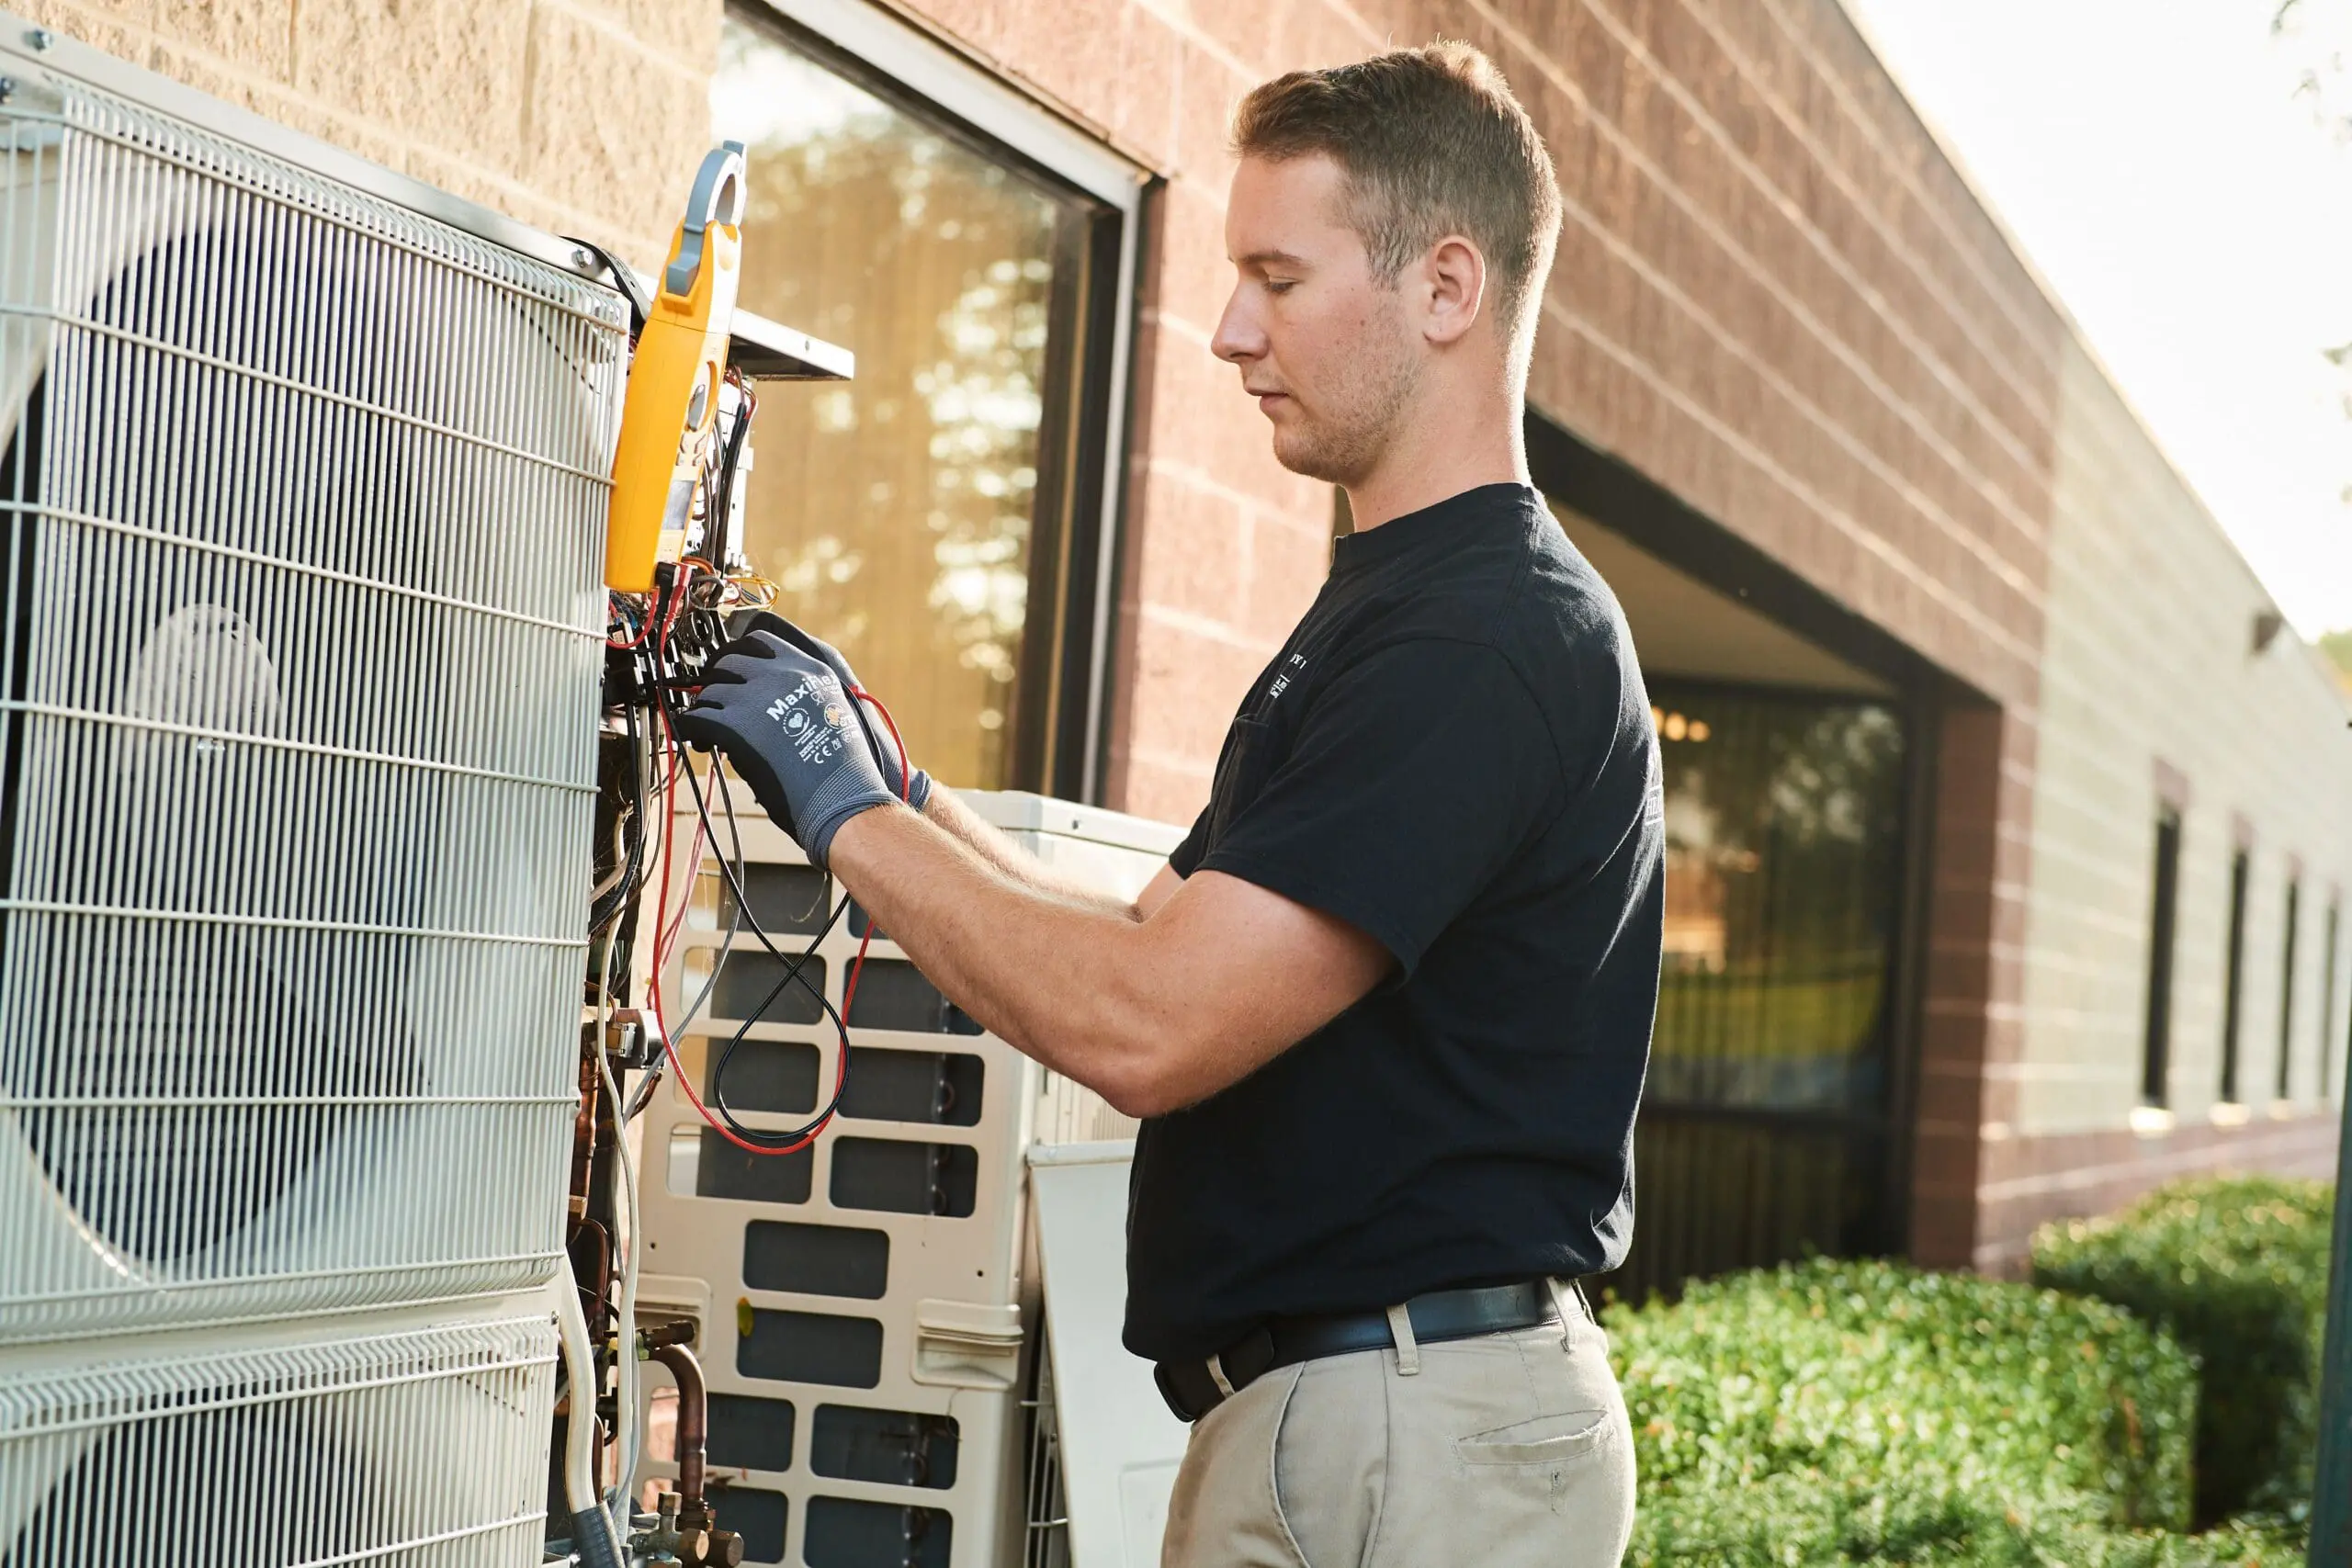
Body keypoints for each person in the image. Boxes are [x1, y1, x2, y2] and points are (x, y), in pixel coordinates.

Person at [679, 40, 1660, 1568]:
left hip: (1408, 1430)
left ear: (1447, 288)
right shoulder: (1401, 610)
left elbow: (1150, 1023)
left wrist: (841, 813)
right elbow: (1150, 935)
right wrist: (895, 783)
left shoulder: (1485, 638)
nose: (1227, 329)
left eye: (1279, 277)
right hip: (1362, 1416)